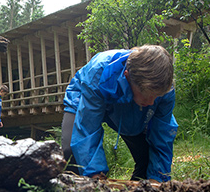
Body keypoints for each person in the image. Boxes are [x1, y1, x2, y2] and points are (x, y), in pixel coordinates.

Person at [61, 45, 177, 182]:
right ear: (127, 76)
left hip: (135, 104)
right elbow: (88, 128)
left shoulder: (165, 90)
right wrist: (96, 177)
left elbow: (162, 135)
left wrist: (158, 180)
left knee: (148, 162)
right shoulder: (99, 72)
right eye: (147, 95)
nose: (151, 102)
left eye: (156, 96)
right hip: (86, 97)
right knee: (71, 152)